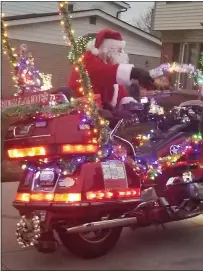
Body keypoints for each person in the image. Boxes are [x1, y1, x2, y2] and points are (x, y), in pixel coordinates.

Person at [68, 29, 155, 108]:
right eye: (119, 50)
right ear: (107, 51)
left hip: (101, 114)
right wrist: (134, 72)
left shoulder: (111, 67)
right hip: (83, 112)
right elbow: (102, 72)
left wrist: (131, 104)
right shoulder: (88, 59)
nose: (122, 54)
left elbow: (120, 93)